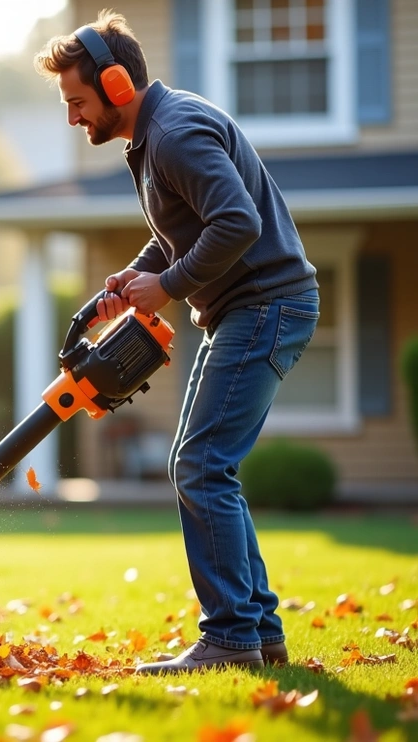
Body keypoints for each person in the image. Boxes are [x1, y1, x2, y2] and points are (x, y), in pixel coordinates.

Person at [35, 11, 319, 674]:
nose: (73, 118)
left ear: (115, 83)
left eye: (77, 103)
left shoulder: (176, 133)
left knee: (199, 464)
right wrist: (144, 271)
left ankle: (230, 638)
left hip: (266, 305)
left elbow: (236, 222)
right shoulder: (156, 135)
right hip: (249, 310)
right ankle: (261, 634)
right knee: (202, 464)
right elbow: (183, 225)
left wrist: (168, 286)